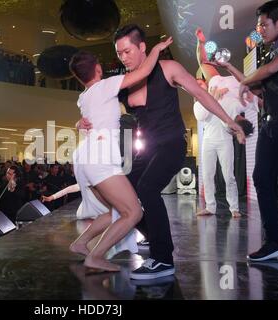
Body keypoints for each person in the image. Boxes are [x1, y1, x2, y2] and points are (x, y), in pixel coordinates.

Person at [77, 24, 245, 279]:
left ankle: (163, 259)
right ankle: (154, 236)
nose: (124, 57)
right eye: (119, 53)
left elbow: (201, 94)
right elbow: (94, 106)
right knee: (128, 195)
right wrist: (80, 123)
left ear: (142, 47)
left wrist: (229, 122)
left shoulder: (168, 68)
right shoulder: (123, 85)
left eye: (128, 51)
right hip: (147, 149)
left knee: (146, 189)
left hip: (172, 143)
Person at [69, 36, 174, 273]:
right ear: (98, 69)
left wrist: (78, 124)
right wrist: (156, 48)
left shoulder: (83, 97)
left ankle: (81, 243)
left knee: (114, 211)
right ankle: (96, 255)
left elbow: (86, 120)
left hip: (85, 159)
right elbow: (144, 71)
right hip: (101, 161)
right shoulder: (106, 86)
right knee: (133, 212)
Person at [235, 0, 278, 261]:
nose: (259, 29)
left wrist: (245, 82)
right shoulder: (273, 51)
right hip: (271, 123)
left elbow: (273, 69)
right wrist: (243, 81)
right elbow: (264, 89)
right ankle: (275, 241)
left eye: (264, 24)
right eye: (258, 25)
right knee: (263, 177)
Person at [193, 27, 258, 218]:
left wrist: (239, 133)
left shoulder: (241, 100)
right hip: (208, 138)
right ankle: (210, 207)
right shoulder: (216, 80)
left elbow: (256, 101)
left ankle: (234, 208)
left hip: (223, 141)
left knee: (229, 175)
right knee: (207, 174)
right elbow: (202, 60)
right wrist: (201, 42)